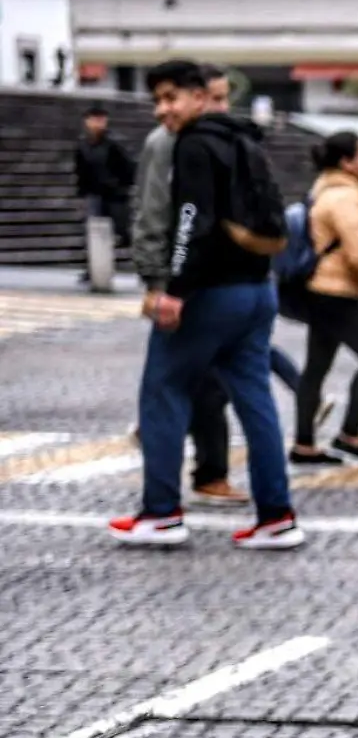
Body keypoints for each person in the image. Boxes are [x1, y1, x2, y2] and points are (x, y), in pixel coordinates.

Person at [111, 59, 303, 550]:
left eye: (171, 98)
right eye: (157, 99)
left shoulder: (195, 144)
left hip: (210, 293)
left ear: (200, 97)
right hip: (258, 289)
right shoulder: (243, 138)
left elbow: (190, 222)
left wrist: (173, 288)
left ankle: (160, 513)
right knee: (255, 399)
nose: (163, 110)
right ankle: (277, 515)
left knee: (163, 391)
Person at [289, 131, 358, 467]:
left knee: (316, 367)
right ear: (346, 163)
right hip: (336, 293)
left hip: (324, 290)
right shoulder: (344, 198)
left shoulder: (328, 190)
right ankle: (350, 435)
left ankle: (304, 443)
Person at [75, 103, 135, 264]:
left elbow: (128, 167)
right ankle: (93, 267)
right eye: (94, 120)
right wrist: (82, 193)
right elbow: (81, 171)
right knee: (93, 230)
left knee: (122, 231)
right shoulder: (83, 146)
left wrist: (120, 186)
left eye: (101, 120)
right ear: (87, 122)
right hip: (94, 194)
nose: (98, 124)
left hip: (115, 195)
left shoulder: (113, 144)